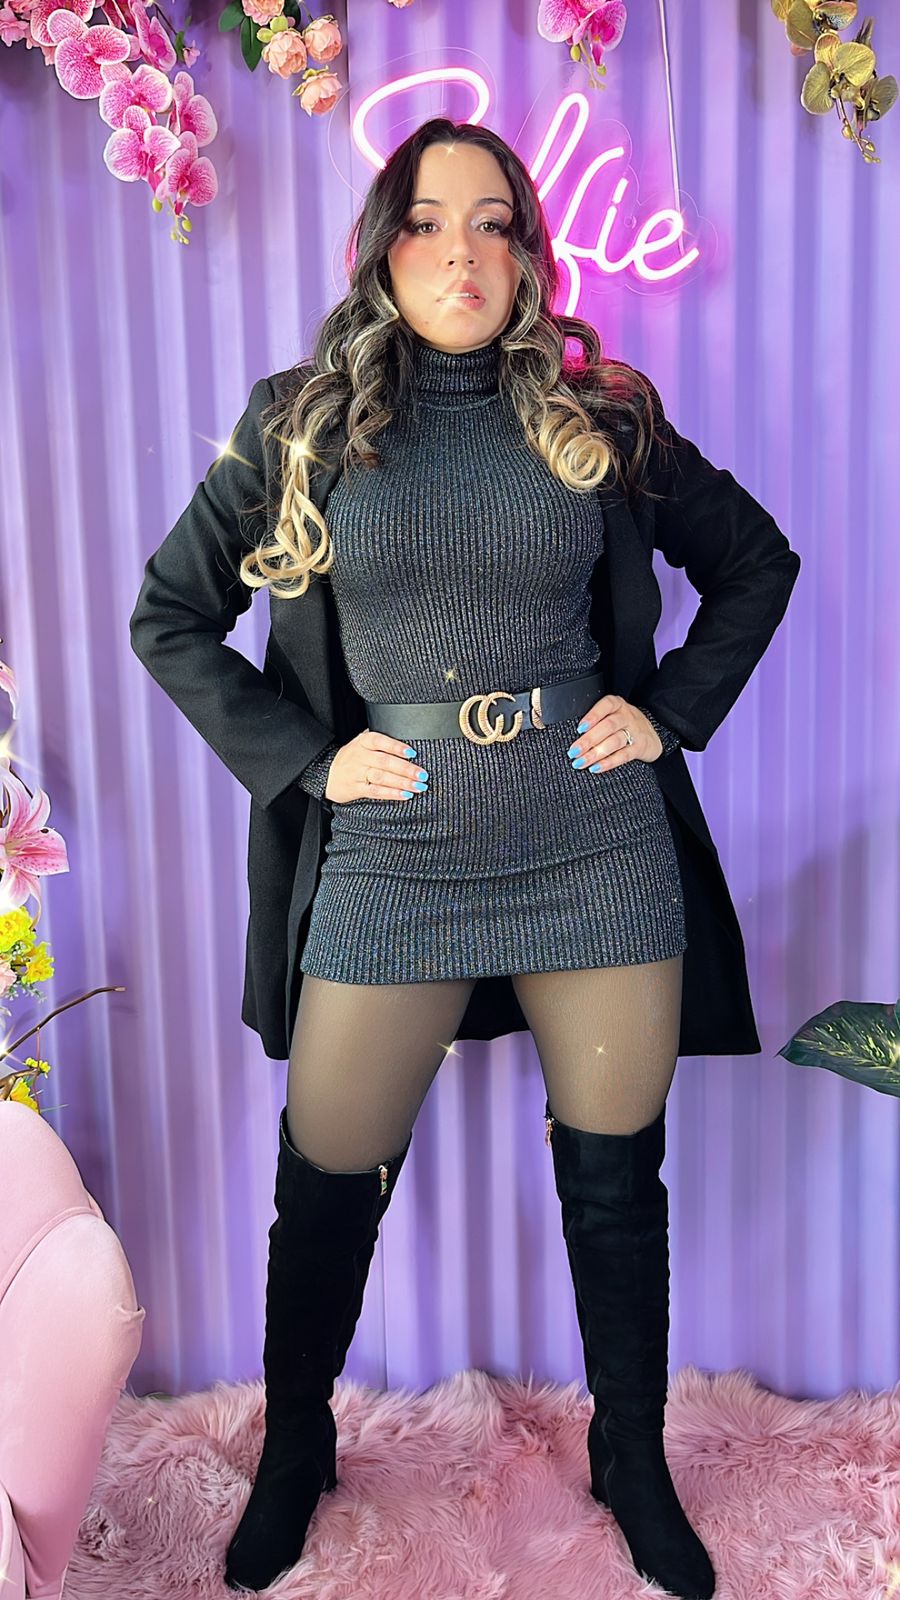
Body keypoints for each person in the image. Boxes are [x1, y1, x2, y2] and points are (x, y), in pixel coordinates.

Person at [130, 116, 800, 1600]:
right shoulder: (300, 422)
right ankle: (297, 1448)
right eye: (428, 222)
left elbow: (757, 561)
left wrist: (669, 712)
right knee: (328, 1168)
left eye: (493, 221)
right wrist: (309, 760)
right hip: (397, 848)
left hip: (590, 839)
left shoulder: (602, 412)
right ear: (383, 249)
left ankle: (632, 1455)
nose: (461, 252)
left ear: (528, 252)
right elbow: (169, 615)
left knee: (616, 1181)